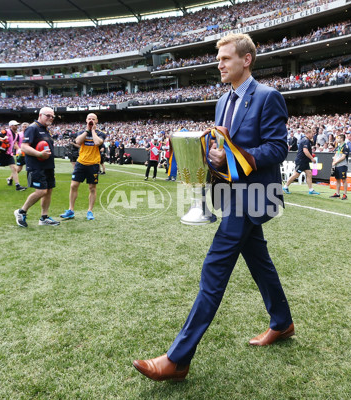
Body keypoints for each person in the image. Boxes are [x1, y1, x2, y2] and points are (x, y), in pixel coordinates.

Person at [133, 33, 294, 382]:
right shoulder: (222, 101)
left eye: (225, 58)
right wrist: (212, 155)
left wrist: (237, 155)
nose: (218, 64)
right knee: (260, 263)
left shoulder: (268, 97)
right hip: (229, 196)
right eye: (218, 59)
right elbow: (222, 148)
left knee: (214, 269)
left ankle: (178, 358)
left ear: (246, 59)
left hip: (253, 199)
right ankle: (282, 323)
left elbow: (278, 149)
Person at [13, 107, 60, 227]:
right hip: (36, 166)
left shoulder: (46, 129)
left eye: (52, 116)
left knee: (48, 190)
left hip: (48, 166)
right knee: (41, 191)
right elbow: (24, 146)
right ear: (40, 115)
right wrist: (39, 154)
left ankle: (44, 218)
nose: (50, 118)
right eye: (47, 115)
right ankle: (21, 211)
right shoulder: (32, 128)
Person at [59, 113, 104, 221]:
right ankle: (71, 210)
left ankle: (90, 211)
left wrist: (93, 130)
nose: (91, 120)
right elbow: (78, 141)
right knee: (73, 185)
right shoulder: (81, 132)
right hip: (81, 162)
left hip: (93, 163)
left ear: (97, 121)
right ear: (86, 120)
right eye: (89, 119)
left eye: (93, 119)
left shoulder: (101, 133)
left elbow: (97, 142)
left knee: (92, 188)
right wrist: (87, 130)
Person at [282, 127, 319, 195]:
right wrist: (312, 158)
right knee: (296, 174)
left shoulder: (306, 140)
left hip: (304, 161)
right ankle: (285, 186)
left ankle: (311, 190)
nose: (313, 135)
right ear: (308, 133)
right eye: (312, 134)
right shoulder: (305, 140)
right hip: (301, 161)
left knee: (309, 174)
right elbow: (305, 151)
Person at [7, 122, 28, 186]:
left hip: (28, 153)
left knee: (30, 167)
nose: (24, 128)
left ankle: (31, 182)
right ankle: (10, 178)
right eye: (23, 127)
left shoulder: (30, 134)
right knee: (19, 168)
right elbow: (15, 144)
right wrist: (19, 150)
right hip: (20, 153)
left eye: (26, 127)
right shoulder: (18, 134)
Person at [330, 133, 350, 200]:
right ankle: (337, 193)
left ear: (342, 139)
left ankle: (345, 194)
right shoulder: (338, 147)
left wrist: (336, 162)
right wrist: (333, 161)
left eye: (338, 138)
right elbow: (335, 155)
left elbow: (343, 157)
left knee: (344, 179)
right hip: (337, 165)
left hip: (342, 165)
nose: (337, 139)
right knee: (337, 179)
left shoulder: (345, 147)